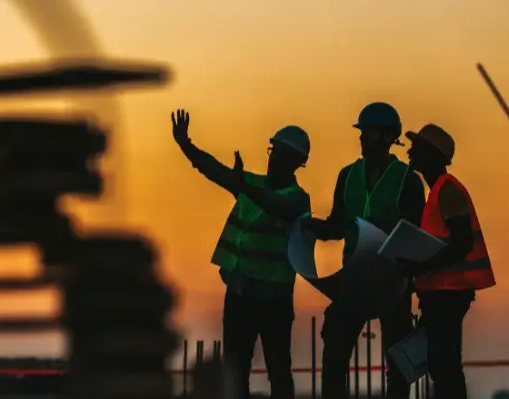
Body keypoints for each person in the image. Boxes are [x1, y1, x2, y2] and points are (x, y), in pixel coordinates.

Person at [171, 109, 312, 399]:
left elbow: (277, 206)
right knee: (236, 373)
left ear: (298, 163)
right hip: (241, 294)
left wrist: (243, 185)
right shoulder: (252, 184)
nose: (275, 158)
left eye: (284, 155)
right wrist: (186, 145)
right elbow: (214, 169)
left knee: (279, 373)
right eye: (274, 151)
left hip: (274, 300)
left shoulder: (298, 199)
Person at [301, 102, 425, 399]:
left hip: (393, 283)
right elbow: (338, 225)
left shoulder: (406, 179)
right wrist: (312, 228)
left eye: (367, 132)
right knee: (334, 356)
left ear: (385, 137)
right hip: (355, 282)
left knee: (398, 364)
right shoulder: (348, 176)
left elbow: (416, 236)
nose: (360, 138)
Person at [395, 123, 497, 399]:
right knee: (441, 364)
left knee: (444, 364)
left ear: (433, 154)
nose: (410, 153)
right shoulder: (437, 191)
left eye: (417, 148)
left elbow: (461, 243)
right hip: (441, 292)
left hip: (450, 292)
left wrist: (420, 267)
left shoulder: (447, 190)